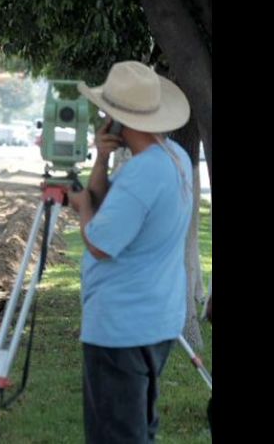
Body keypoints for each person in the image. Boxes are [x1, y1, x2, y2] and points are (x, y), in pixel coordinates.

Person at [67, 60, 193, 444]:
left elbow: (101, 243)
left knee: (117, 435)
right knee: (138, 430)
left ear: (119, 118)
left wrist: (81, 207)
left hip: (122, 327)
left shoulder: (143, 174)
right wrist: (102, 159)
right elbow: (115, 208)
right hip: (154, 320)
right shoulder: (172, 157)